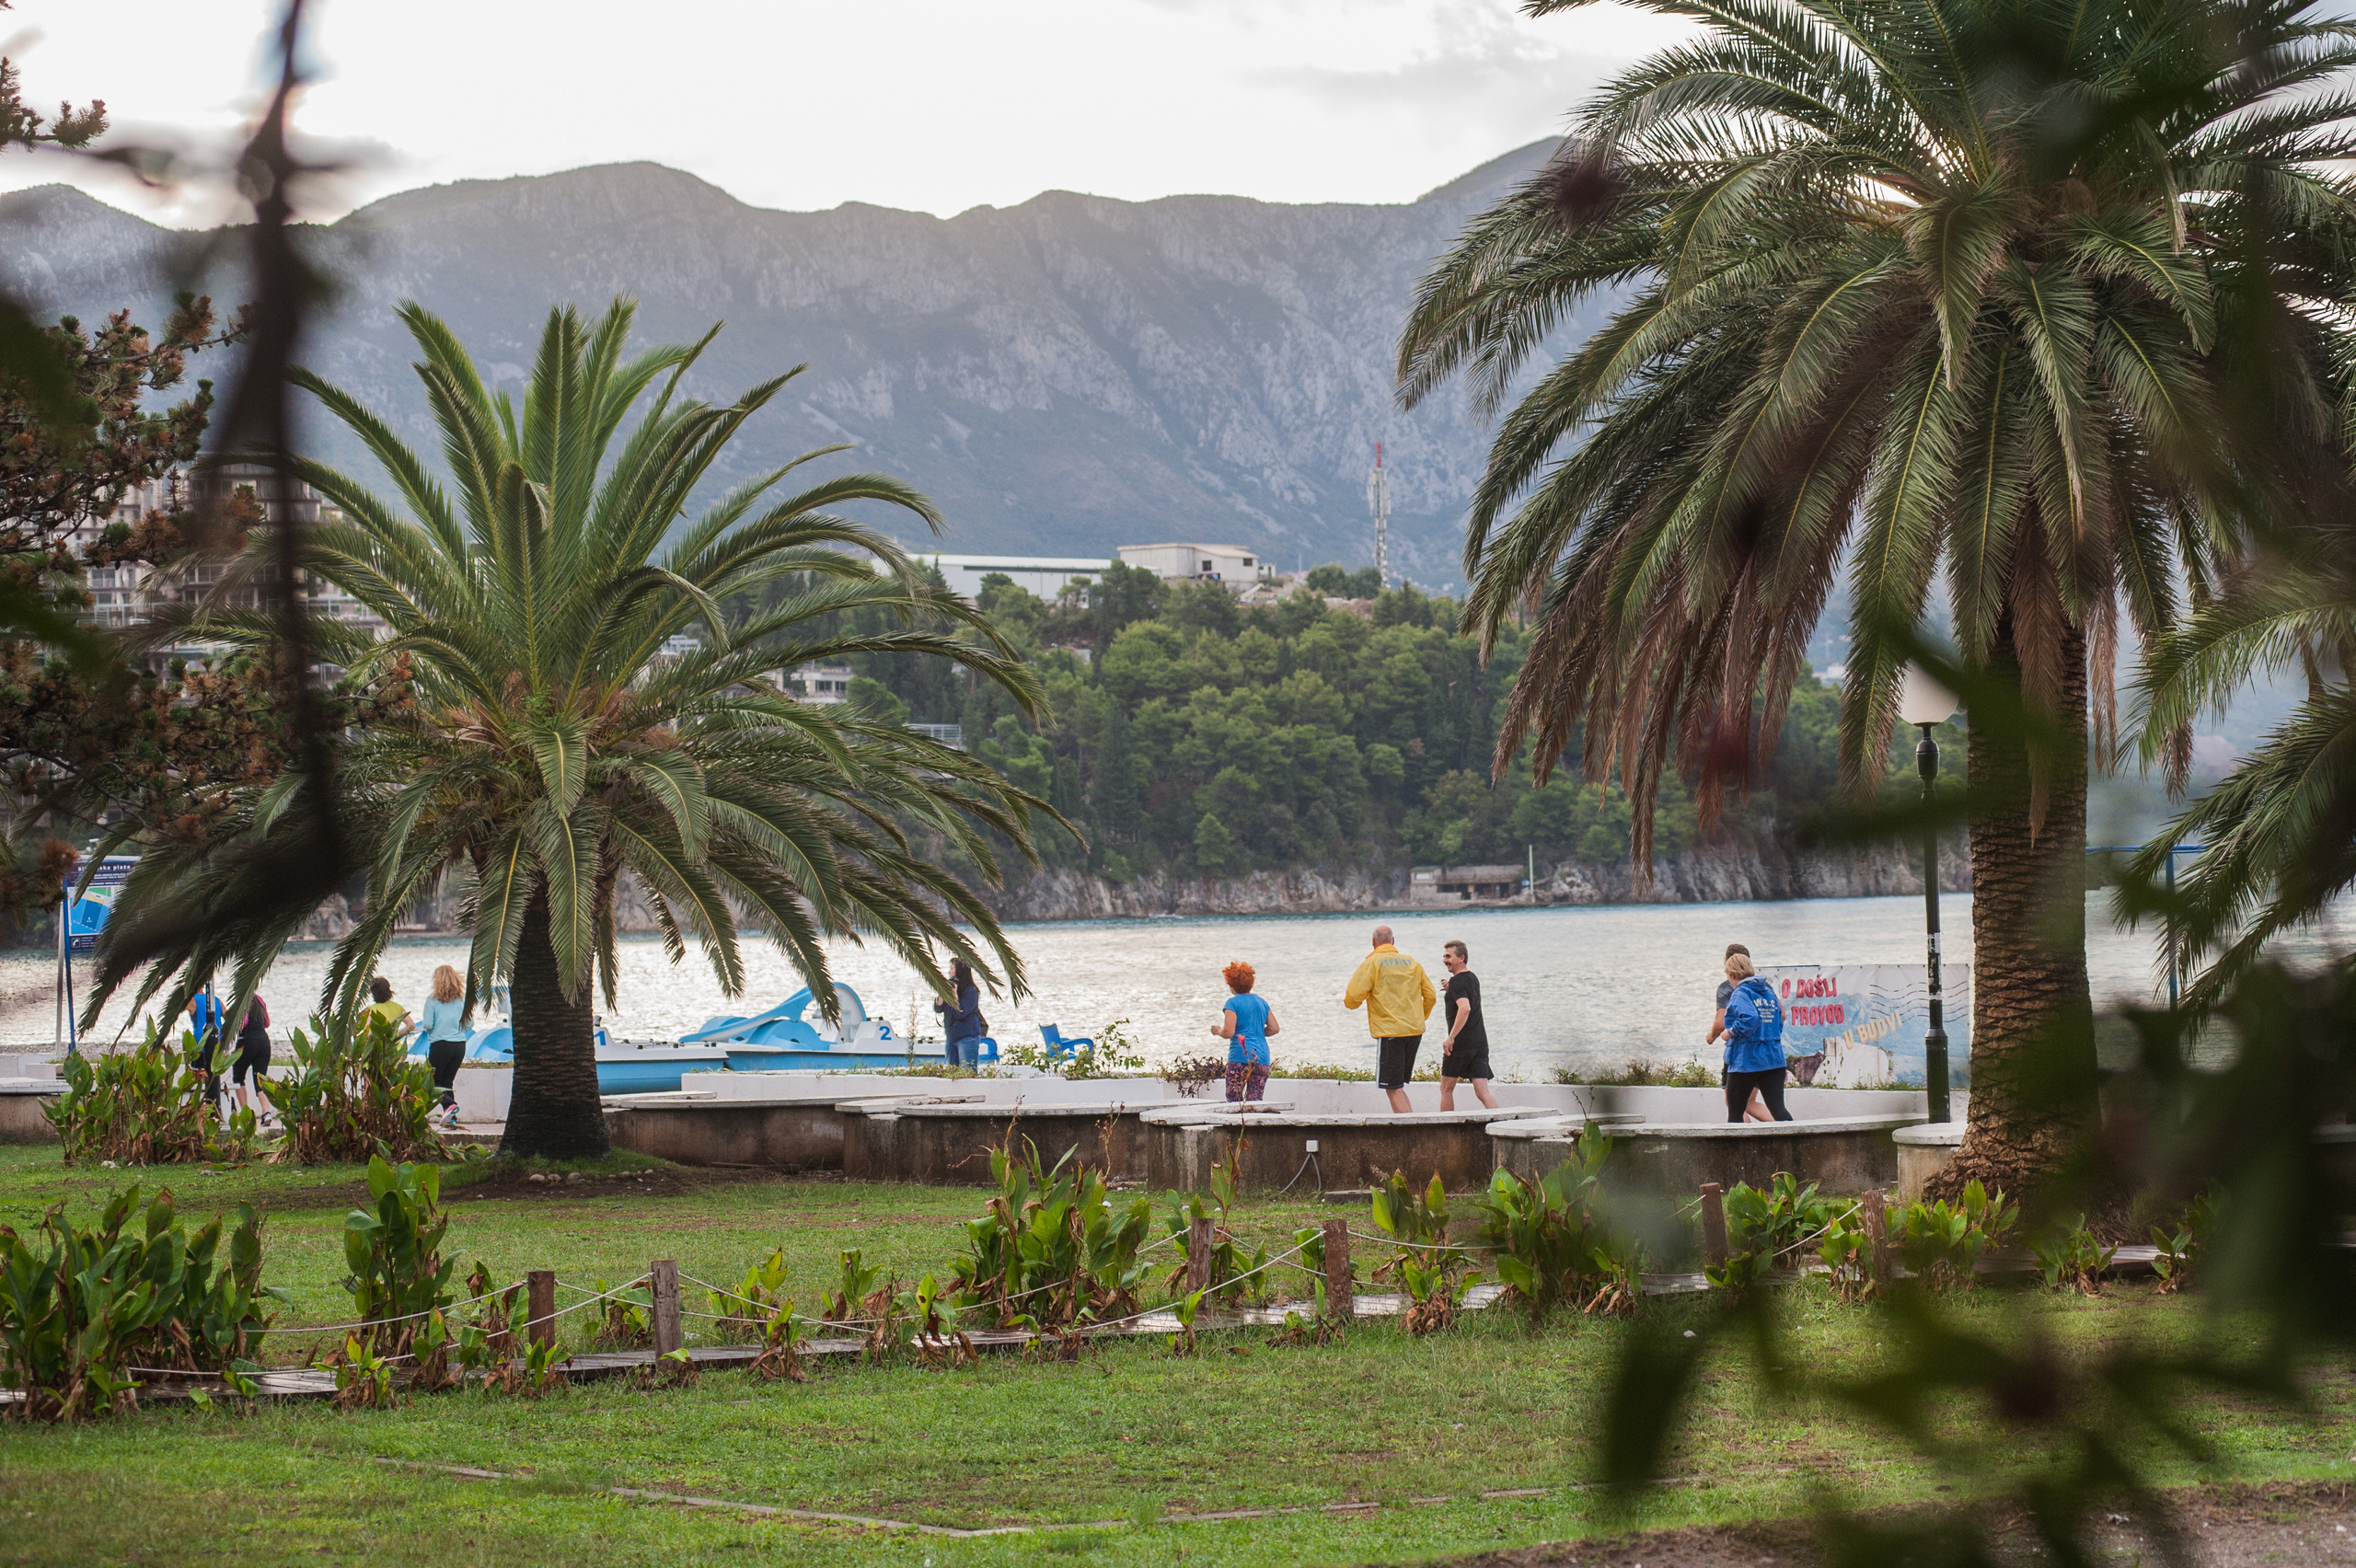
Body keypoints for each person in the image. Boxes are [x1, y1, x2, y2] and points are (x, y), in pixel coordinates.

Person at [1343, 924, 1436, 1113]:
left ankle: (1410, 1134)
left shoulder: (1372, 964)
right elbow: (1431, 996)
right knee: (1398, 1086)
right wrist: (1419, 1017)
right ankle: (1413, 1125)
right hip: (1414, 1031)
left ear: (1373, 942)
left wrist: (1360, 1001)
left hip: (1390, 1032)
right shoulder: (1412, 963)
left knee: (1392, 1087)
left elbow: (1352, 999)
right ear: (1393, 941)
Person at [1719, 951, 1794, 1124]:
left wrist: (1728, 1033)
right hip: (1774, 1059)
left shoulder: (1740, 993)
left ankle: (1737, 1150)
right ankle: (1796, 1145)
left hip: (1746, 1061)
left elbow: (1750, 1018)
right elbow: (1779, 1020)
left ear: (1731, 974)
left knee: (1736, 1111)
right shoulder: (1768, 992)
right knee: (1778, 1109)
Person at [1705, 943, 1773, 1122]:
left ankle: (1745, 1144)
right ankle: (1782, 1127)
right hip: (1765, 1053)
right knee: (1749, 1102)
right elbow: (1780, 1014)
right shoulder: (1764, 986)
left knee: (1734, 1103)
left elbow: (1721, 1022)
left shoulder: (1728, 988)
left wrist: (1712, 1036)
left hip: (1741, 1054)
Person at [1437, 940, 1498, 1112]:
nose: (1444, 960)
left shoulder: (1457, 982)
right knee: (1482, 1093)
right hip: (1479, 1043)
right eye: (1444, 956)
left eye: (1449, 956)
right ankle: (1504, 1122)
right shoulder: (1472, 978)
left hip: (1461, 1045)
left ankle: (1447, 1130)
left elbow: (1465, 1008)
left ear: (1461, 957)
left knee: (1446, 1089)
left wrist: (1451, 1038)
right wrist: (1450, 989)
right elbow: (1465, 994)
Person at [1209, 961, 1279, 1101]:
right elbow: (1274, 1028)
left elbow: (1229, 1032)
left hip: (1240, 1058)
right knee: (1255, 1102)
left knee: (1234, 1101)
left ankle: (1237, 1124)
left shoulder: (1232, 1003)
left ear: (1231, 984)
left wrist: (1217, 1030)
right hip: (1262, 1059)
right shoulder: (1262, 1002)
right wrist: (1258, 1032)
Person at [418, 964, 471, 1129]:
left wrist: (432, 1029)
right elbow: (469, 1024)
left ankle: (449, 1105)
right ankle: (451, 1119)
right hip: (459, 1046)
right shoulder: (462, 1000)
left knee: (433, 1080)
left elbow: (427, 1024)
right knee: (448, 1081)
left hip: (441, 1045)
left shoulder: (432, 1000)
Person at [933, 959, 986, 1069]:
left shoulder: (971, 991)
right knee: (951, 1072)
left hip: (967, 1037)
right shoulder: (951, 988)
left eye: (952, 969)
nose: (949, 972)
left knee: (968, 1072)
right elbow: (939, 1009)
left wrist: (954, 995)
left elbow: (960, 1013)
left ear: (959, 971)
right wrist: (942, 994)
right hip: (951, 1037)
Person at [230, 996, 273, 1124]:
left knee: (238, 1077)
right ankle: (266, 1112)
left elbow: (242, 1023)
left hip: (247, 1042)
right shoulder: (259, 1000)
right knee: (260, 1080)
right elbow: (267, 1023)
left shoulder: (243, 1000)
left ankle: (246, 1114)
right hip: (264, 1042)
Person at [184, 992, 227, 1111]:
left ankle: (202, 1107)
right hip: (218, 1042)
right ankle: (214, 1106)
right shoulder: (216, 1000)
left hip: (201, 1043)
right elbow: (227, 1015)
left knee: (199, 1075)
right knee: (214, 1074)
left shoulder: (193, 1000)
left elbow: (180, 1004)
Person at [364, 976, 413, 1042]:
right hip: (395, 1048)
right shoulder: (397, 1007)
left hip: (380, 1049)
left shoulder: (372, 1009)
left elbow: (367, 1031)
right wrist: (397, 1035)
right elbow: (411, 1025)